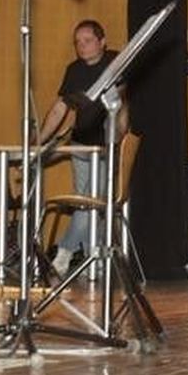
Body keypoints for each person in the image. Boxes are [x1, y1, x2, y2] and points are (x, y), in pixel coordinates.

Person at [37, 19, 123, 274]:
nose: (81, 46)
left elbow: (123, 101)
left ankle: (63, 253)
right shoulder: (74, 70)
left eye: (87, 41)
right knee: (85, 205)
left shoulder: (115, 63)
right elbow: (59, 109)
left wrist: (118, 134)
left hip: (106, 146)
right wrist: (38, 142)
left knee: (88, 203)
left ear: (102, 41)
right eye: (77, 42)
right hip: (80, 147)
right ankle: (91, 263)